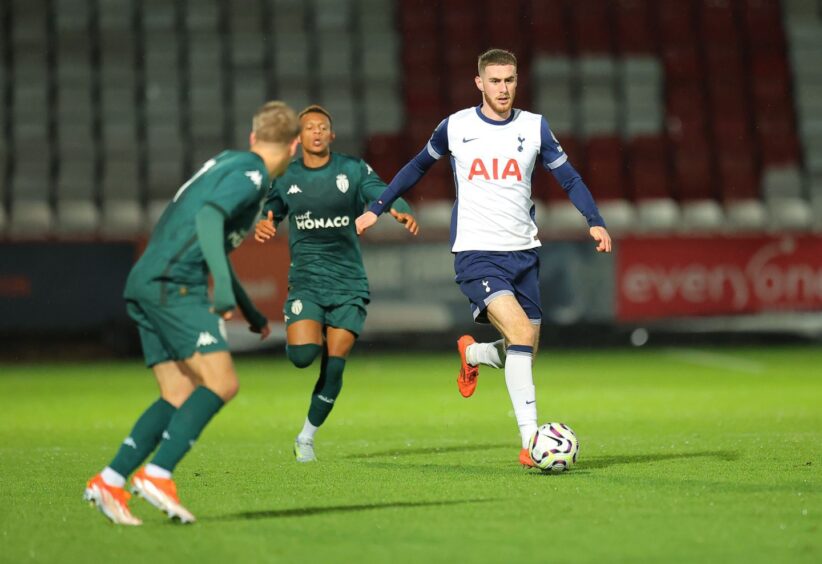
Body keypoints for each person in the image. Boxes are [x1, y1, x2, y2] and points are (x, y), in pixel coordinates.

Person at [355, 49, 612, 467]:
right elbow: (416, 167)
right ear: (479, 83)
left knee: (524, 346)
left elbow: (569, 176)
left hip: (524, 253)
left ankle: (473, 355)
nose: (503, 88)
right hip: (477, 252)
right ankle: (532, 442)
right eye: (495, 81)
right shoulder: (455, 127)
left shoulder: (534, 127)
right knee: (521, 337)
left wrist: (594, 220)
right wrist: (377, 207)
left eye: (509, 80)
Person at [84, 101, 301, 525]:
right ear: (293, 147)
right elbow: (208, 217)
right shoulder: (252, 174)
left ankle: (110, 481)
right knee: (222, 382)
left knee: (178, 394)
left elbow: (214, 239)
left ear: (253, 136)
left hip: (147, 278)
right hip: (174, 283)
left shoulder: (228, 163)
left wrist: (249, 309)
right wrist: (219, 291)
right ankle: (158, 474)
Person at [254, 104, 418, 463]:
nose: (315, 131)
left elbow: (383, 191)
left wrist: (398, 207)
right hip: (307, 281)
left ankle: (306, 438)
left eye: (321, 127)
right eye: (308, 127)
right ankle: (312, 334)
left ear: (331, 135)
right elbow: (270, 209)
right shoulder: (286, 175)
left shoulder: (352, 170)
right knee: (302, 356)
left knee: (336, 362)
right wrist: (264, 223)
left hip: (348, 282)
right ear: (299, 138)